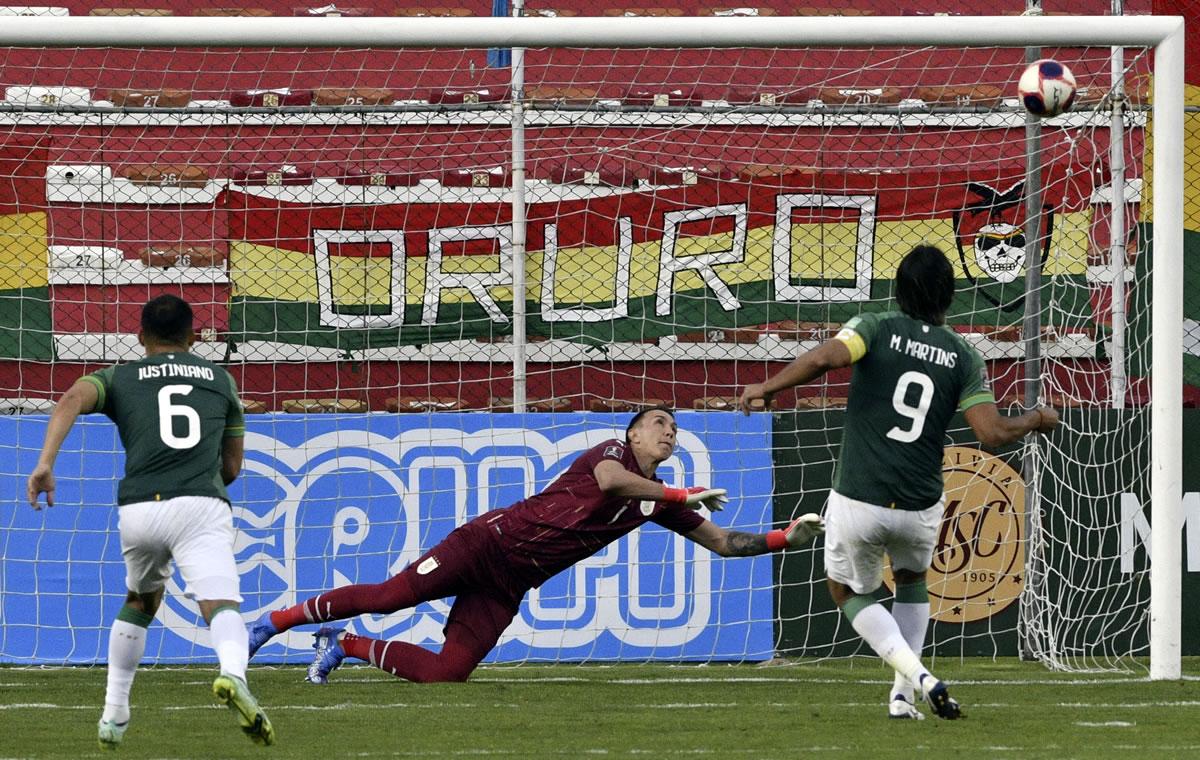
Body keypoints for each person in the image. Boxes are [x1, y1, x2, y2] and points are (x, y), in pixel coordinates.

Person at [247, 406, 824, 684]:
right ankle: (272, 622)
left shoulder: (656, 499)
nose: (669, 433)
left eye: (674, 430)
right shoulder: (613, 455)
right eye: (659, 425)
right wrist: (677, 494)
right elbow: (609, 485)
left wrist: (783, 537)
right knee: (390, 595)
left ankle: (345, 646)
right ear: (633, 433)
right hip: (483, 544)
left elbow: (724, 543)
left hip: (508, 583)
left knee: (449, 673)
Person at [739, 244, 1059, 721]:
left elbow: (827, 358)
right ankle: (902, 696)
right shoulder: (964, 355)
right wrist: (1036, 417)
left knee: (846, 591)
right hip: (921, 504)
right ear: (949, 296)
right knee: (912, 581)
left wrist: (768, 387)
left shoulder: (875, 326)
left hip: (861, 495)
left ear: (898, 290)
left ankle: (920, 677)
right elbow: (991, 433)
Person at [26, 294, 274, 749]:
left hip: (139, 509)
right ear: (194, 337)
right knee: (219, 603)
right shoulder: (220, 380)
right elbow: (233, 468)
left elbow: (71, 398)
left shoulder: (120, 377)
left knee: (140, 600)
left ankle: (113, 714)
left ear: (140, 337)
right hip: (199, 505)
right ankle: (233, 676)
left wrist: (45, 463)